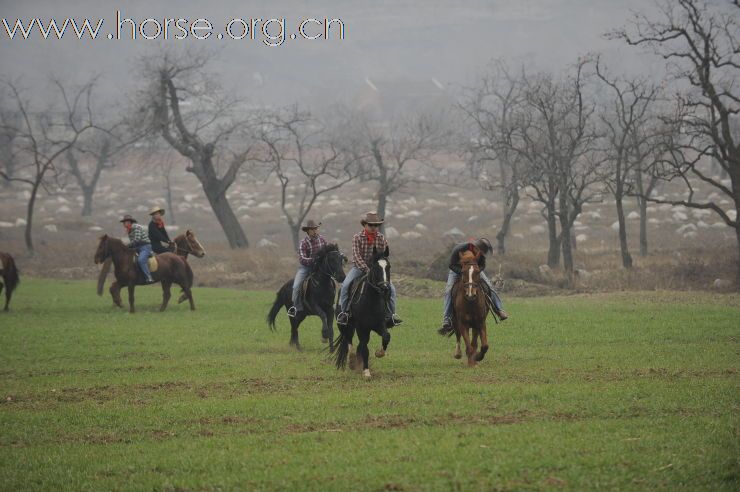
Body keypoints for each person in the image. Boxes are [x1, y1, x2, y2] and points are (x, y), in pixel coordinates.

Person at [337, 212, 402, 327]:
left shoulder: (381, 238)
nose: (374, 227)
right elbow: (356, 256)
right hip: (359, 268)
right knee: (345, 285)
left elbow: (384, 255)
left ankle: (391, 315)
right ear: (365, 225)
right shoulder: (357, 238)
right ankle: (345, 313)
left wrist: (378, 267)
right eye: (371, 225)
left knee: (391, 288)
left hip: (376, 270)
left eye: (376, 225)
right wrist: (366, 269)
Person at [441, 238, 508, 330]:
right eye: (480, 252)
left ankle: (499, 310)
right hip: (457, 271)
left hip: (474, 270)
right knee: (448, 291)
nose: (481, 254)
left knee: (489, 286)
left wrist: (475, 272)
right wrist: (463, 273)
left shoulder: (481, 253)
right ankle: (447, 318)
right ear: (475, 247)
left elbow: (482, 265)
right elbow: (451, 265)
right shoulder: (458, 249)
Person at [287, 219, 326, 318]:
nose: (315, 231)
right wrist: (314, 260)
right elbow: (302, 258)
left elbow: (328, 251)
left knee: (333, 279)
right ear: (308, 231)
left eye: (316, 228)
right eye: (312, 229)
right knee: (296, 286)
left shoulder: (322, 239)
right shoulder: (303, 242)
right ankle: (295, 307)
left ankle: (330, 303)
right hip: (306, 268)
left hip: (320, 268)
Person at [120, 214, 154, 283]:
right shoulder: (129, 230)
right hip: (137, 247)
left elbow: (137, 240)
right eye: (124, 222)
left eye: (125, 222)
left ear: (130, 222)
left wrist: (127, 246)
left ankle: (149, 277)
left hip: (145, 246)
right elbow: (134, 243)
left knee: (141, 260)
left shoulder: (136, 227)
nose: (124, 224)